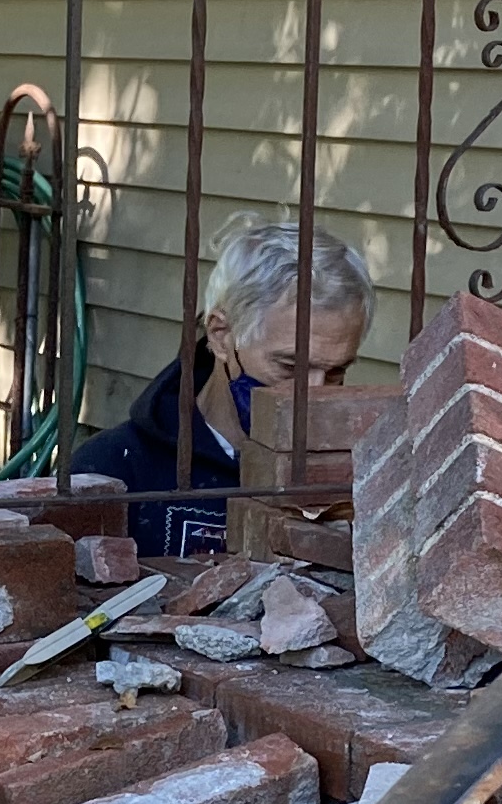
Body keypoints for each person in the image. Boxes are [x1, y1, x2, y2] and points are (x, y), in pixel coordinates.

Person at [71, 218, 376, 555]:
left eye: (335, 372)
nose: (315, 394)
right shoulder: (113, 470)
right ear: (220, 335)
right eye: (289, 366)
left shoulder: (366, 471)